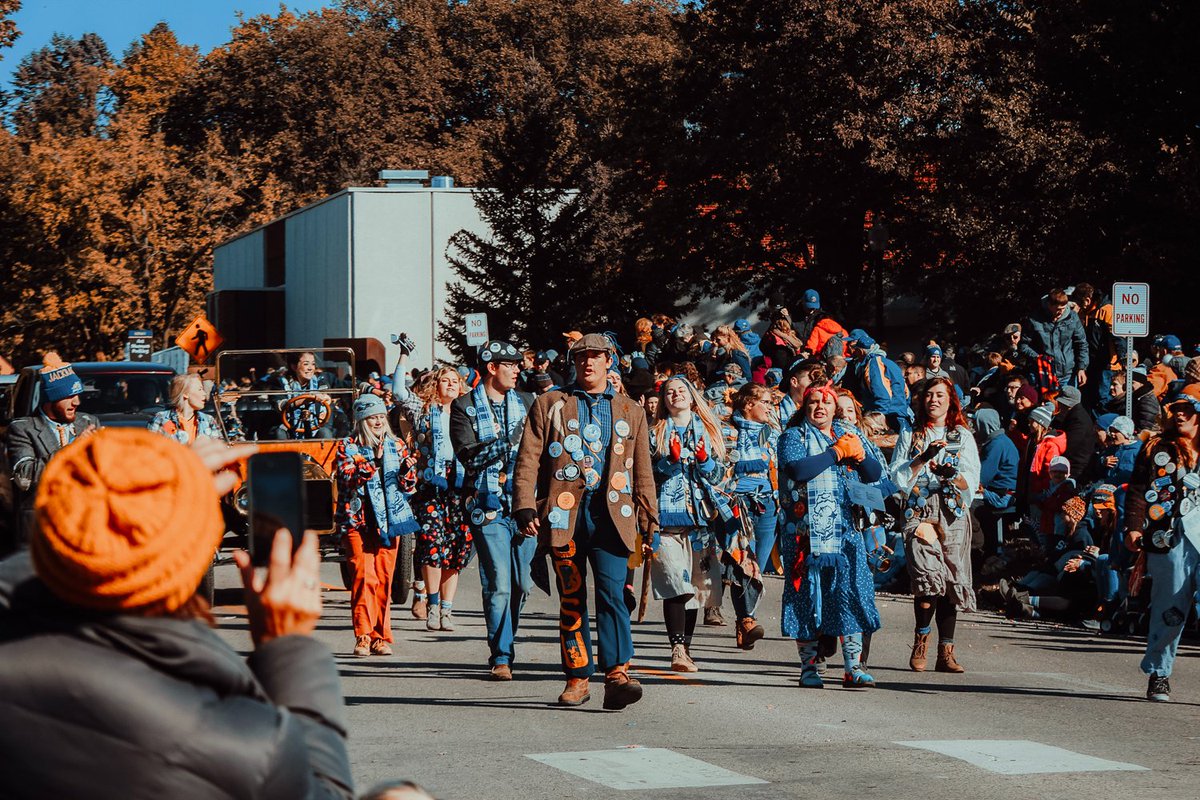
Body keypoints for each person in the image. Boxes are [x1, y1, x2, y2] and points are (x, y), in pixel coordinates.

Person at [0, 431, 353, 799]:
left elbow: (67, 553)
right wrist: (290, 648)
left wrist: (147, 498)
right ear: (191, 559)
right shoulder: (249, 748)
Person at [512, 333, 658, 710]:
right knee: (572, 596)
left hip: (614, 517)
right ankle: (577, 676)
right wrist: (525, 505)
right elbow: (528, 459)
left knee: (613, 595)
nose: (588, 363)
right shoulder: (551, 404)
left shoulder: (631, 410)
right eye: (581, 358)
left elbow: (643, 471)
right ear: (573, 363)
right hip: (564, 515)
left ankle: (617, 673)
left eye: (595, 357)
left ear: (610, 361)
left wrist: (650, 519)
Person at [778, 383, 883, 688]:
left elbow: (874, 475)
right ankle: (809, 668)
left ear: (836, 407)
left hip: (844, 531)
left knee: (849, 592)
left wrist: (860, 456)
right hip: (803, 534)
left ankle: (853, 667)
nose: (819, 407)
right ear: (805, 406)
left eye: (826, 402)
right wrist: (836, 453)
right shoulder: (793, 437)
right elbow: (798, 470)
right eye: (813, 402)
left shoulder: (848, 433)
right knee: (806, 598)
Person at [450, 340, 535, 680]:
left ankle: (506, 640)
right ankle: (501, 655)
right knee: (499, 582)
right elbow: (469, 456)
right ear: (491, 367)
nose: (517, 370)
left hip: (525, 505)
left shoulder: (530, 402)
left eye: (518, 364)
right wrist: (510, 440)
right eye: (510, 364)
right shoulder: (463, 406)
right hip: (488, 506)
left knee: (522, 585)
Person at [891, 377, 980, 674]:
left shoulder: (962, 435)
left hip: (952, 511)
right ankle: (921, 640)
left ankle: (946, 651)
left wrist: (950, 475)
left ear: (950, 399)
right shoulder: (911, 433)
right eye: (929, 395)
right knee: (928, 576)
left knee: (952, 580)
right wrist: (923, 459)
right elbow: (897, 477)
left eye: (940, 395)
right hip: (920, 510)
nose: (934, 400)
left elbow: (972, 479)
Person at [647, 376, 737, 671]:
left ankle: (685, 649)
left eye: (681, 390)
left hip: (701, 520)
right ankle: (676, 648)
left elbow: (721, 477)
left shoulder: (711, 431)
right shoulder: (654, 433)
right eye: (669, 392)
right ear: (663, 400)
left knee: (696, 588)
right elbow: (647, 477)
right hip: (666, 520)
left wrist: (704, 461)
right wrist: (670, 461)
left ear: (692, 395)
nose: (676, 395)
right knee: (676, 584)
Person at [1124, 397, 1200, 703]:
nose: (1180, 414)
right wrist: (1133, 526)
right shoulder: (1157, 448)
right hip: (1169, 539)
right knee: (1170, 607)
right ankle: (1159, 674)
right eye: (1176, 409)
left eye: (1189, 410)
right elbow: (1139, 489)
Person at [334, 395, 420, 657]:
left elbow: (409, 487)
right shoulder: (347, 446)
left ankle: (380, 636)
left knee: (383, 578)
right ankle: (362, 634)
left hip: (390, 520)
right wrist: (374, 461)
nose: (379, 421)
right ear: (362, 421)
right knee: (362, 577)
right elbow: (348, 479)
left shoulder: (397, 445)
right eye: (373, 417)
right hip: (358, 521)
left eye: (381, 416)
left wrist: (407, 470)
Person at [6, 357, 98, 550]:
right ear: (50, 398)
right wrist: (72, 449)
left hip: (83, 528)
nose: (77, 402)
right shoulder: (22, 429)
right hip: (40, 530)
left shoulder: (89, 422)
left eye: (78, 394)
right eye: (68, 396)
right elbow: (24, 478)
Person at [409, 367, 473, 633]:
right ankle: (432, 606)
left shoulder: (469, 413)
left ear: (461, 387)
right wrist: (402, 356)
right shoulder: (424, 411)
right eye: (444, 381)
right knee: (433, 545)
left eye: (454, 381)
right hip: (432, 485)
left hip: (460, 485)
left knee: (456, 548)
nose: (449, 385)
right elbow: (401, 394)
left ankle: (447, 609)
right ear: (435, 386)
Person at [973, 407, 1019, 556]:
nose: (974, 429)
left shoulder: (996, 445)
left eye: (976, 425)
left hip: (1002, 495)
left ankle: (980, 548)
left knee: (969, 505)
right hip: (1003, 490)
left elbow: (982, 477)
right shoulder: (1001, 440)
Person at [846, 329, 911, 435]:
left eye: (856, 350)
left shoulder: (874, 364)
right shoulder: (889, 362)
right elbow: (907, 394)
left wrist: (879, 418)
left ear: (861, 351)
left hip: (888, 418)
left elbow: (883, 394)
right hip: (900, 415)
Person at [1026, 288, 1089, 388]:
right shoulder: (1035, 319)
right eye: (1058, 309)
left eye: (1064, 308)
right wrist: (1038, 358)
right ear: (1049, 305)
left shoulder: (1072, 317)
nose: (1062, 312)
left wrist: (1082, 368)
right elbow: (1024, 345)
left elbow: (1082, 343)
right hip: (1042, 374)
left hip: (1068, 375)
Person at [278, 351, 337, 439]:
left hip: (316, 428)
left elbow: (331, 389)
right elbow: (282, 405)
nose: (310, 368)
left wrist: (326, 397)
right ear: (294, 366)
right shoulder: (281, 383)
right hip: (290, 431)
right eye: (306, 364)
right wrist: (309, 397)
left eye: (313, 364)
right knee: (279, 433)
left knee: (325, 432)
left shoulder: (321, 379)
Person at [148, 373, 221, 444]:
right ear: (185, 394)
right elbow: (150, 449)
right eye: (200, 389)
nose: (204, 393)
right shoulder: (162, 419)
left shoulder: (208, 420)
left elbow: (219, 451)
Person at [1052, 385, 1096, 478]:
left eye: (1060, 403)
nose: (1058, 405)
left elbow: (1069, 446)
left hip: (1076, 469)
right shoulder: (1072, 416)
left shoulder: (1079, 420)